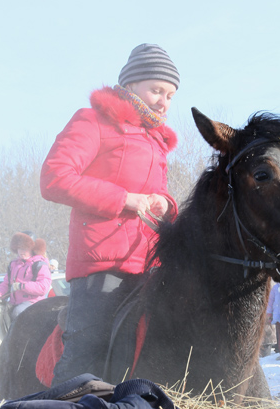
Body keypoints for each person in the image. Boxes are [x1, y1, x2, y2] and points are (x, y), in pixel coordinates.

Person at [40, 44, 180, 385]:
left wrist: (165, 203)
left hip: (149, 263)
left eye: (171, 95)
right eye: (156, 90)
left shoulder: (154, 139)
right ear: (130, 86)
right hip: (101, 264)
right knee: (85, 359)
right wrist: (124, 199)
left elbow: (151, 192)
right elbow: (55, 178)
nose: (164, 101)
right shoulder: (93, 120)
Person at [0, 232, 52, 321]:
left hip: (34, 303)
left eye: (24, 249)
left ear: (32, 249)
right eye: (19, 248)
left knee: (18, 312)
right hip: (14, 302)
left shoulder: (39, 264)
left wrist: (22, 286)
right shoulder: (13, 265)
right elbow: (6, 284)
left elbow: (43, 287)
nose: (21, 252)